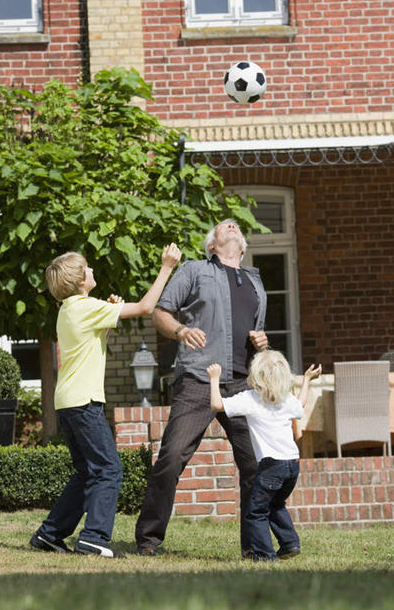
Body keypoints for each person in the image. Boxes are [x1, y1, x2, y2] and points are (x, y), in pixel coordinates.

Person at [30, 242, 182, 557]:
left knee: (87, 471)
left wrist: (107, 313)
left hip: (68, 403)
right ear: (79, 280)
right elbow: (144, 307)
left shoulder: (69, 309)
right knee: (109, 469)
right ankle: (94, 538)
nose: (92, 270)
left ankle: (50, 534)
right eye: (87, 268)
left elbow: (92, 340)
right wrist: (167, 266)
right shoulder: (85, 307)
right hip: (85, 403)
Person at [135, 218, 269, 556]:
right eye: (224, 226)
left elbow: (255, 333)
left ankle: (255, 548)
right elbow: (161, 313)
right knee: (171, 458)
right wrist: (181, 331)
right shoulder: (194, 270)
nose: (232, 225)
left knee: (254, 465)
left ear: (243, 245)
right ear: (212, 245)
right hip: (198, 377)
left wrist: (262, 340)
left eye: (236, 226)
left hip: (242, 384)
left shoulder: (255, 282)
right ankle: (149, 540)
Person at [207, 352, 322, 561]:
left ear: (255, 376)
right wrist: (306, 379)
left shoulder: (250, 399)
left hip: (271, 466)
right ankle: (289, 543)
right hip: (292, 465)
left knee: (255, 512)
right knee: (276, 504)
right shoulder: (285, 399)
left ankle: (264, 555)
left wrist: (214, 378)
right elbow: (301, 404)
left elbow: (217, 405)